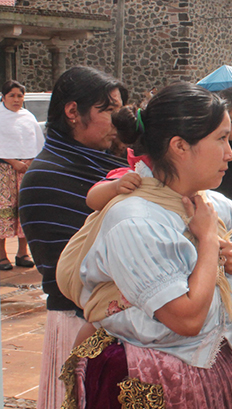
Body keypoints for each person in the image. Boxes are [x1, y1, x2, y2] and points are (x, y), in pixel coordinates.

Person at [56, 82, 232, 408]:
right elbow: (187, 320)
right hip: (153, 381)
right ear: (180, 146)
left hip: (216, 374)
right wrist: (209, 241)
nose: (231, 152)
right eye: (221, 138)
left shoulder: (217, 208)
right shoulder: (135, 221)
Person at [18, 66, 128, 409]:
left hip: (120, 322)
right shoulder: (46, 175)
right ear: (72, 113)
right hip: (78, 322)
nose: (117, 121)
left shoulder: (111, 167)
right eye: (108, 110)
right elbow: (76, 270)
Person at [0, 80, 43, 270]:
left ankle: (22, 253)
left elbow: (37, 142)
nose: (16, 99)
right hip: (4, 171)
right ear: (3, 97)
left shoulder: (28, 117)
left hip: (26, 170)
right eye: (12, 95)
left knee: (25, 209)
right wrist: (13, 161)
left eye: (20, 95)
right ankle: (2, 255)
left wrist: (30, 162)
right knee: (4, 212)